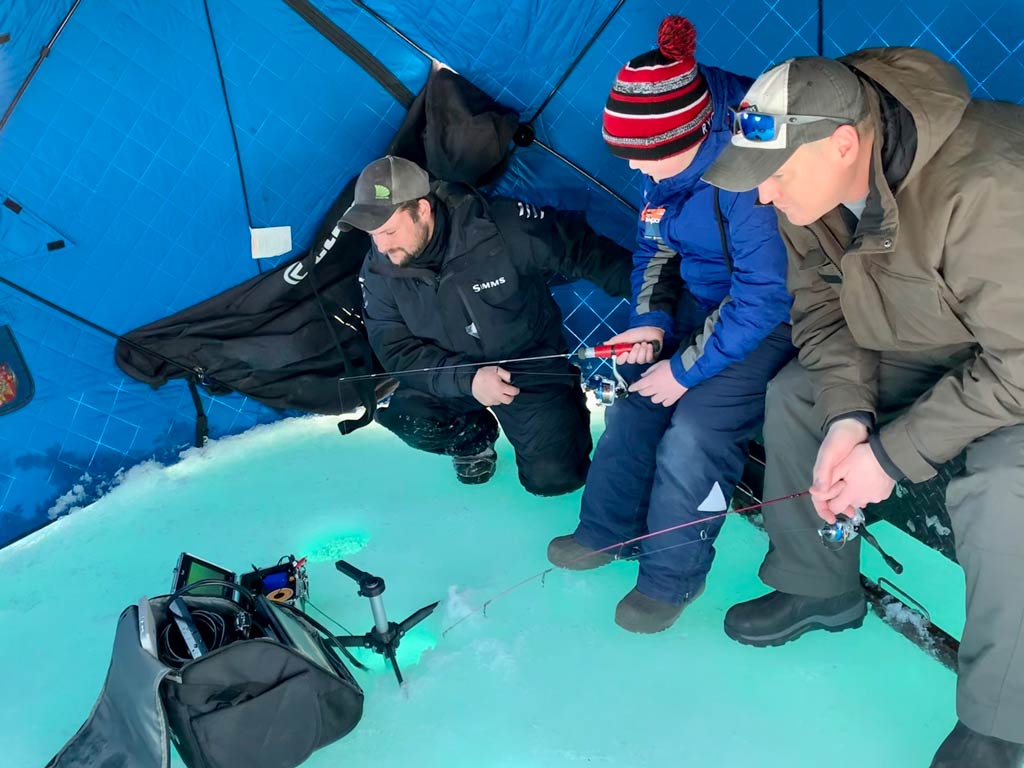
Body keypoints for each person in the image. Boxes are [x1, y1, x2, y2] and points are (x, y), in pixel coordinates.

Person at [703, 48, 1024, 767]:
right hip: (940, 337)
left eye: (775, 175)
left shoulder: (992, 185)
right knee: (796, 396)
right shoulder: (804, 190)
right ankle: (819, 587)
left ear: (842, 142)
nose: (762, 196)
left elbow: (1020, 365)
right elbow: (819, 307)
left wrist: (889, 456)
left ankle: (1000, 722)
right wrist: (849, 415)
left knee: (1008, 488)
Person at [546, 15, 795, 634]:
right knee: (634, 407)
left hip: (772, 321)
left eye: (650, 160)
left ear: (697, 132)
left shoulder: (749, 170)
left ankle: (671, 579)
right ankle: (607, 532)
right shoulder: (668, 163)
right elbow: (654, 249)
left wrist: (685, 368)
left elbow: (766, 294)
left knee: (695, 432)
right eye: (632, 160)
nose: (641, 174)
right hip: (702, 309)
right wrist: (653, 324)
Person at [347, 155, 632, 495]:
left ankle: (562, 407)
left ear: (422, 209)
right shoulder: (378, 268)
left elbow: (588, 253)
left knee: (555, 480)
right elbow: (394, 348)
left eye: (389, 231)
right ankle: (474, 437)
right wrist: (467, 380)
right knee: (410, 417)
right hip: (452, 377)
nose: (381, 245)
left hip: (527, 370)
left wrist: (655, 309)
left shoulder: (502, 225)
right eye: (373, 234)